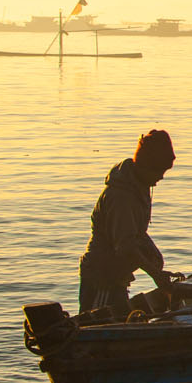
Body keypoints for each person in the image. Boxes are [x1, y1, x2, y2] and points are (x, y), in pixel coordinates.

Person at [77, 129, 176, 315]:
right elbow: (126, 246)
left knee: (119, 319)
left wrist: (156, 261)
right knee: (95, 323)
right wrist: (155, 274)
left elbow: (137, 234)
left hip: (117, 276)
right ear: (146, 166)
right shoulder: (122, 197)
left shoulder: (139, 186)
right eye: (159, 171)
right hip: (102, 277)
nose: (161, 177)